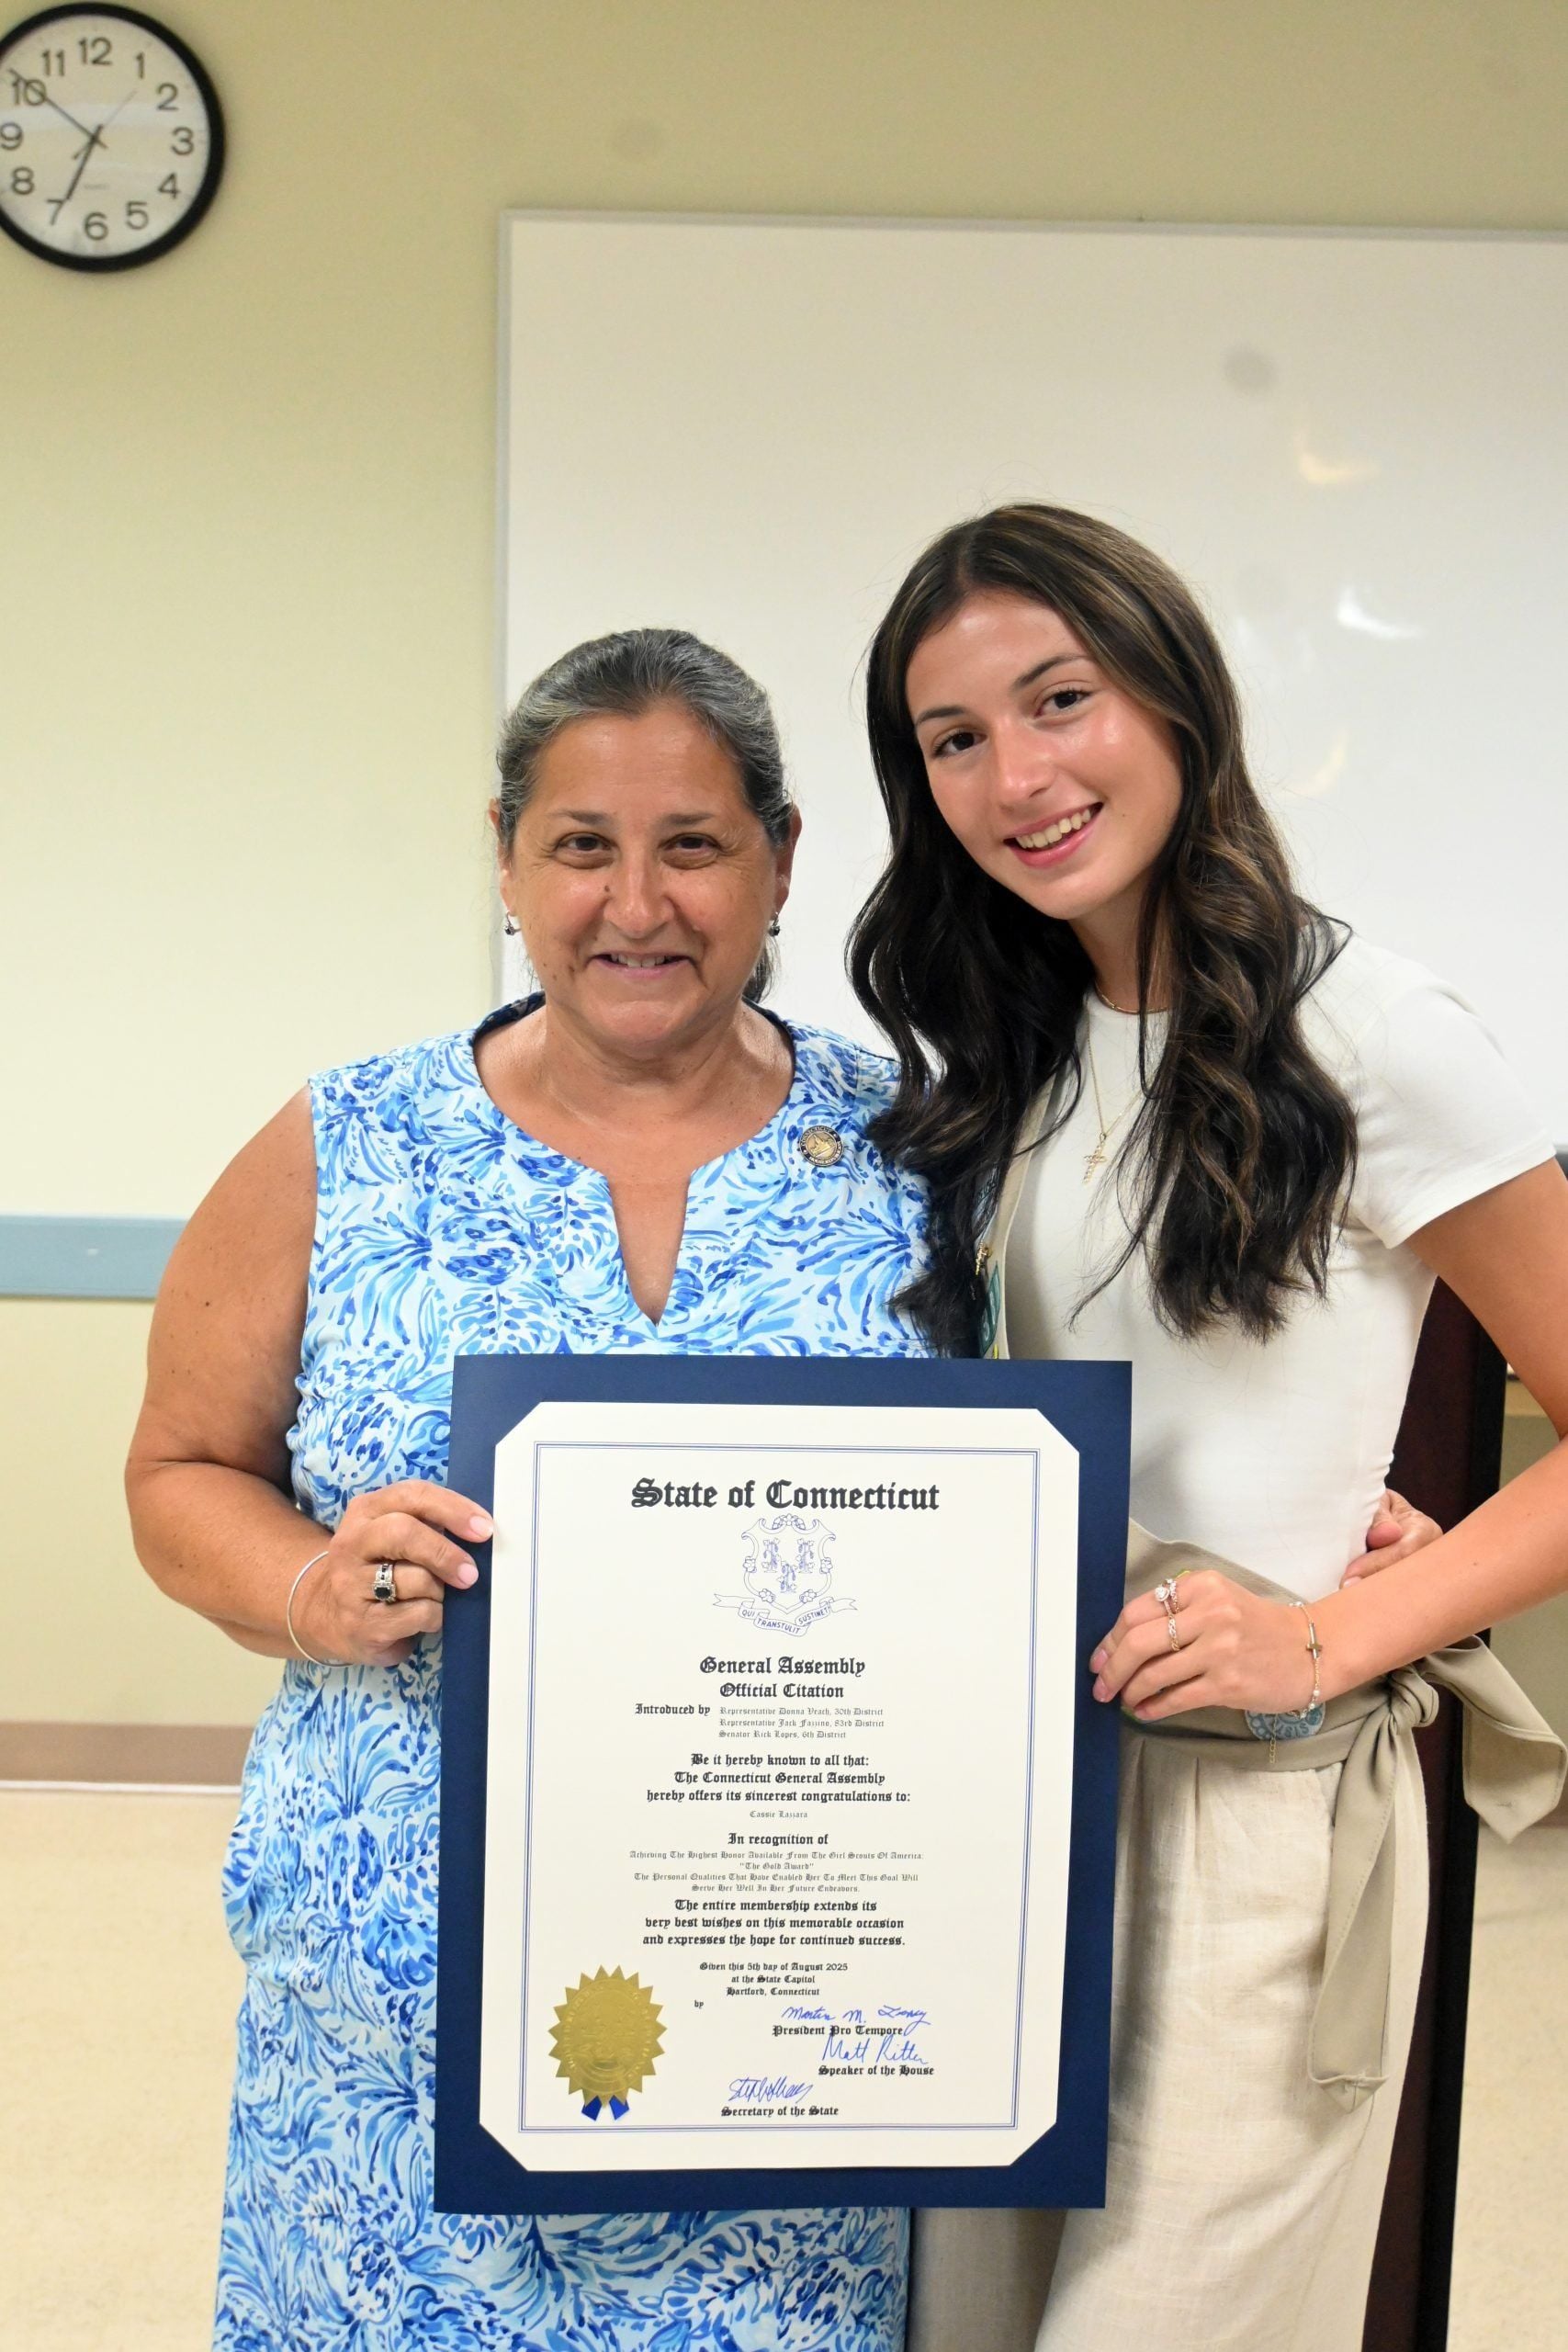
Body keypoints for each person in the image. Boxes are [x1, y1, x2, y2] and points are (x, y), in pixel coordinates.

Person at [125, 628, 931, 2351]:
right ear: (506, 856)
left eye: (694, 845)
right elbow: (182, 1470)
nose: (636, 900)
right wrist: (309, 1587)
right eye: (581, 845)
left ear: (781, 861)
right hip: (395, 2006)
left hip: (785, 2006)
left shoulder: (920, 1153)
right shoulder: (344, 1143)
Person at [848, 502, 1568, 2352]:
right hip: (1008, 1802)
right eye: (950, 738)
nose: (1015, 774)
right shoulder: (996, 1051)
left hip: (1247, 1811)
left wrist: (1329, 1624)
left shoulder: (1377, 1028)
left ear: (1171, 695)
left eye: (1057, 698)